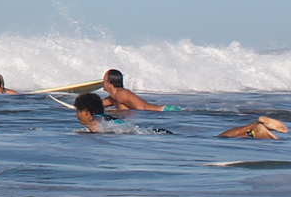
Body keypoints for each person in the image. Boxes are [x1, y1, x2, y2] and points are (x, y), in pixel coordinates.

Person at [74, 93, 286, 139]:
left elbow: (97, 124)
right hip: (155, 133)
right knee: (215, 139)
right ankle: (254, 130)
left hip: (157, 137)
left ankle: (255, 125)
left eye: (78, 112)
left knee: (215, 140)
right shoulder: (109, 116)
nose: (77, 117)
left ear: (86, 111)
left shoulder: (97, 120)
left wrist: (93, 129)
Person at [101, 69, 180, 111]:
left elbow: (142, 108)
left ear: (109, 83)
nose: (102, 82)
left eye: (104, 80)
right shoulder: (113, 98)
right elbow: (97, 103)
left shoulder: (121, 94)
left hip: (165, 111)